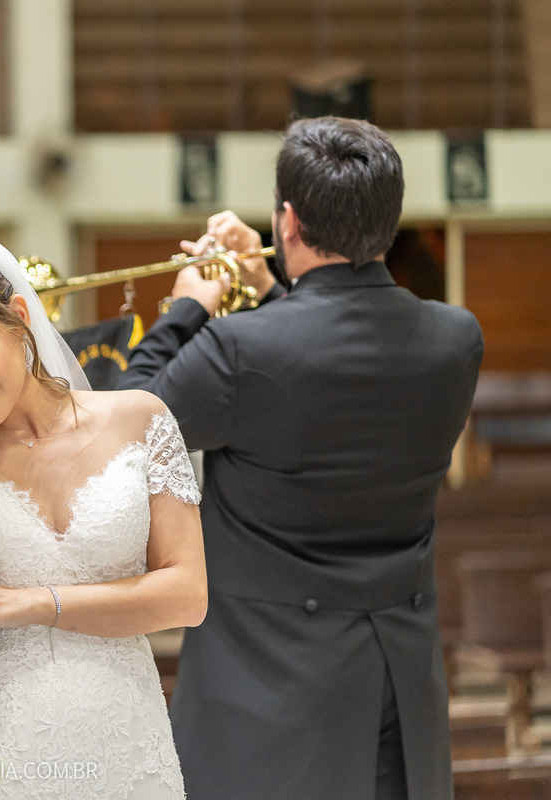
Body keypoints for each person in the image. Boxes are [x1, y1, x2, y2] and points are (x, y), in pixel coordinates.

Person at [116, 117, 484, 800]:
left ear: (286, 220)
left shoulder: (238, 351)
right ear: (389, 220)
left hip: (268, 702)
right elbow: (326, 354)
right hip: (399, 695)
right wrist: (263, 287)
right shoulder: (456, 340)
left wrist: (186, 308)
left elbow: (124, 426)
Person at [0, 223, 207, 799]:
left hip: (125, 732)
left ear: (18, 317)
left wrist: (28, 603)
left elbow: (187, 596)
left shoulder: (139, 418)